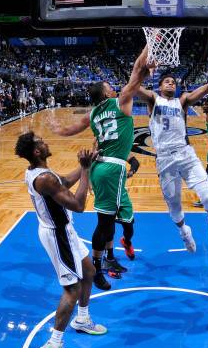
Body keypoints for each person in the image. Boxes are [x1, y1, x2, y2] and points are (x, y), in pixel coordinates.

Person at [49, 47, 150, 290]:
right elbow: (136, 70)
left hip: (101, 167)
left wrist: (57, 129)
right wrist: (150, 42)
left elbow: (69, 130)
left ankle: (110, 258)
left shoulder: (93, 114)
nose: (113, 87)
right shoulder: (121, 101)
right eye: (108, 86)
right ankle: (95, 268)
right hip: (111, 169)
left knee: (111, 220)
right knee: (104, 224)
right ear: (106, 93)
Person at [15, 132, 106, 348]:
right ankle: (54, 344)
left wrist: (88, 162)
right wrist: (86, 170)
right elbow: (78, 205)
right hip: (57, 236)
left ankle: (82, 320)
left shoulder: (41, 173)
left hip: (65, 231)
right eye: (40, 142)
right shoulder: (44, 179)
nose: (45, 142)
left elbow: (63, 182)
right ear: (36, 152)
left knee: (89, 272)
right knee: (71, 289)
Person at [135, 55, 208, 251]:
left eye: (174, 82)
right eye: (167, 81)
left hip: (186, 155)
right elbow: (132, 86)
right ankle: (184, 232)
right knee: (174, 209)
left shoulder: (182, 101)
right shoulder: (153, 99)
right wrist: (142, 71)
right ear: (159, 86)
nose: (171, 83)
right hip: (165, 159)